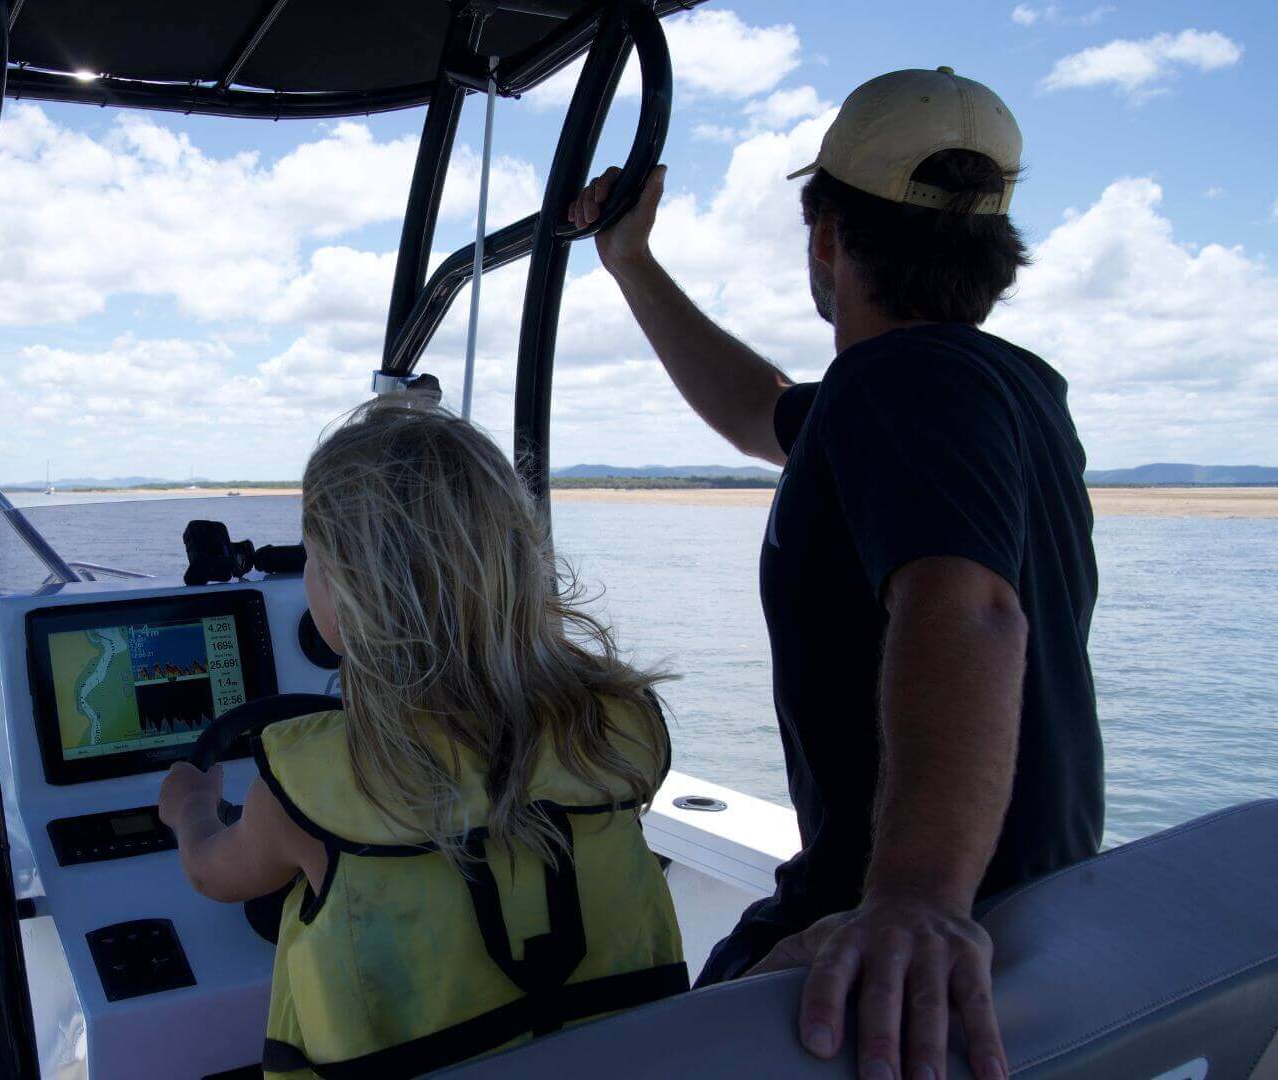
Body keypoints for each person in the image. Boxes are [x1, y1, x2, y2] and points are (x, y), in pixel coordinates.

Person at [568, 68, 1099, 1080]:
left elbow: (972, 607)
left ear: (827, 237)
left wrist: (915, 897)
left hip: (903, 946)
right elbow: (758, 410)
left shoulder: (900, 388)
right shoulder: (998, 389)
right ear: (992, 247)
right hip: (1031, 915)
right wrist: (631, 264)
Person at [158, 399, 685, 1077]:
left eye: (315, 558)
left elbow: (212, 872)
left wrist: (191, 807)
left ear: (348, 596)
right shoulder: (622, 730)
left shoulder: (307, 788)